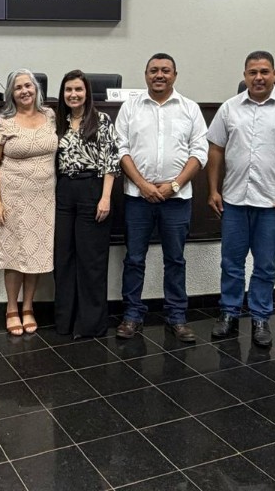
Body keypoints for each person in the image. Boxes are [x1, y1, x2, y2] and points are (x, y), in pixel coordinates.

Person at [206, 51, 275, 347]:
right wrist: (213, 190)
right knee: (231, 263)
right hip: (234, 201)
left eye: (264, 72)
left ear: (274, 74)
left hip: (272, 204)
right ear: (245, 76)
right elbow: (215, 150)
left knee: (265, 265)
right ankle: (229, 313)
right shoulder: (229, 108)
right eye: (252, 72)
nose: (258, 77)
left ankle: (261, 317)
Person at [114, 53, 208, 341]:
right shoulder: (130, 107)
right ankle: (132, 315)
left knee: (175, 259)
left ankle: (177, 317)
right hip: (137, 197)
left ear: (174, 75)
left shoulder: (190, 108)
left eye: (165, 70)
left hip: (177, 199)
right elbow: (121, 149)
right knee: (134, 259)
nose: (159, 75)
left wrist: (174, 185)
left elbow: (199, 152)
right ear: (145, 75)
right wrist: (142, 184)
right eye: (154, 70)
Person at [0, 68, 58, 336]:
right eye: (18, 87)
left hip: (44, 200)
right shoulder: (2, 122)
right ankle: (11, 308)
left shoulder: (51, 116)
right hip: (13, 200)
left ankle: (28, 307)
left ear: (36, 89)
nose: (25, 91)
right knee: (15, 255)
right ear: (11, 94)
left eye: (29, 85)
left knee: (35, 254)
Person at [53, 71, 120, 338]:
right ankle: (65, 322)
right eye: (68, 90)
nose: (73, 94)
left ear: (87, 92)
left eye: (78, 89)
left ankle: (90, 324)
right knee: (64, 258)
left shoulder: (101, 120)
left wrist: (105, 198)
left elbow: (111, 161)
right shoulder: (57, 122)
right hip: (64, 191)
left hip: (93, 190)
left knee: (91, 260)